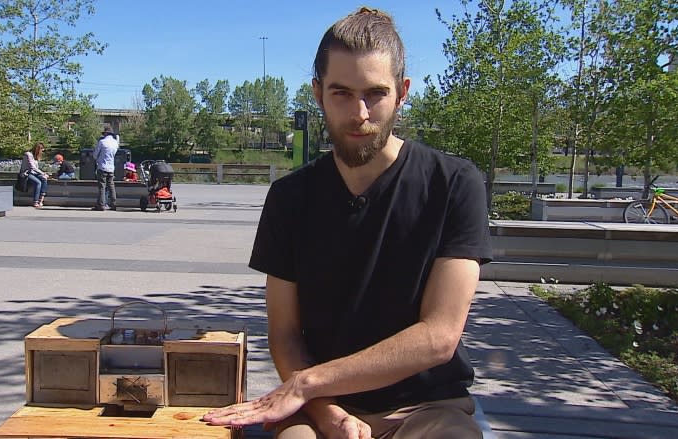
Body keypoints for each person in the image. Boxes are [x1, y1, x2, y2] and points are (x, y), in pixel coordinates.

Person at [203, 7, 491, 439]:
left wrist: (307, 382)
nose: (359, 113)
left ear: (402, 92)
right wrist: (325, 411)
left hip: (426, 407)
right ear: (318, 93)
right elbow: (284, 334)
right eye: (341, 93)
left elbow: (439, 337)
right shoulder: (289, 198)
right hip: (319, 409)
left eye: (375, 93)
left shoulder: (453, 184)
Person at [92, 124, 119, 211]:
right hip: (111, 167)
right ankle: (113, 204)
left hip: (102, 166)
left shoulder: (102, 142)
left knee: (102, 186)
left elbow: (95, 155)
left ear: (105, 134)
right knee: (111, 185)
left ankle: (101, 205)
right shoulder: (115, 143)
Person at [20, 142, 49, 208]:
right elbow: (32, 167)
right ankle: (35, 201)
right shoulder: (28, 155)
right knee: (38, 182)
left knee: (44, 178)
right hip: (26, 173)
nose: (42, 152)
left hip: (33, 173)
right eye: (41, 150)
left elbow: (36, 169)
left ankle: (41, 199)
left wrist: (43, 175)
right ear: (38, 149)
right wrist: (43, 173)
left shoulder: (35, 156)